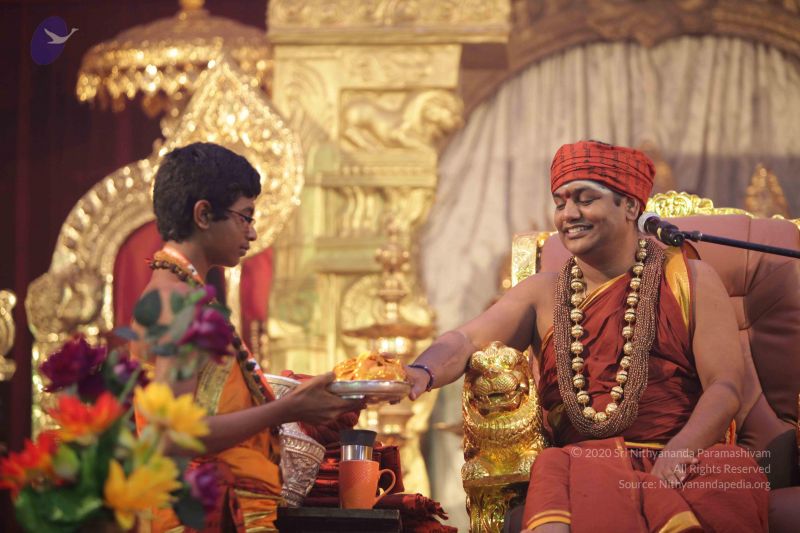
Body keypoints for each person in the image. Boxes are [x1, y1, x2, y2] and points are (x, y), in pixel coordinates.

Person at [406, 141, 769, 532]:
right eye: (560, 202)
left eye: (585, 199)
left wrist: (679, 454)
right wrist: (421, 371)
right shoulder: (542, 293)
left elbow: (725, 387)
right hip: (582, 466)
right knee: (563, 470)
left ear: (630, 206)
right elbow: (466, 341)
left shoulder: (690, 279)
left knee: (731, 480)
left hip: (684, 460)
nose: (568, 214)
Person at [131, 142, 363, 532]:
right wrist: (289, 409)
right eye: (246, 217)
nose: (252, 233)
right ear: (204, 215)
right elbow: (170, 437)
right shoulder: (176, 304)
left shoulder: (178, 295)